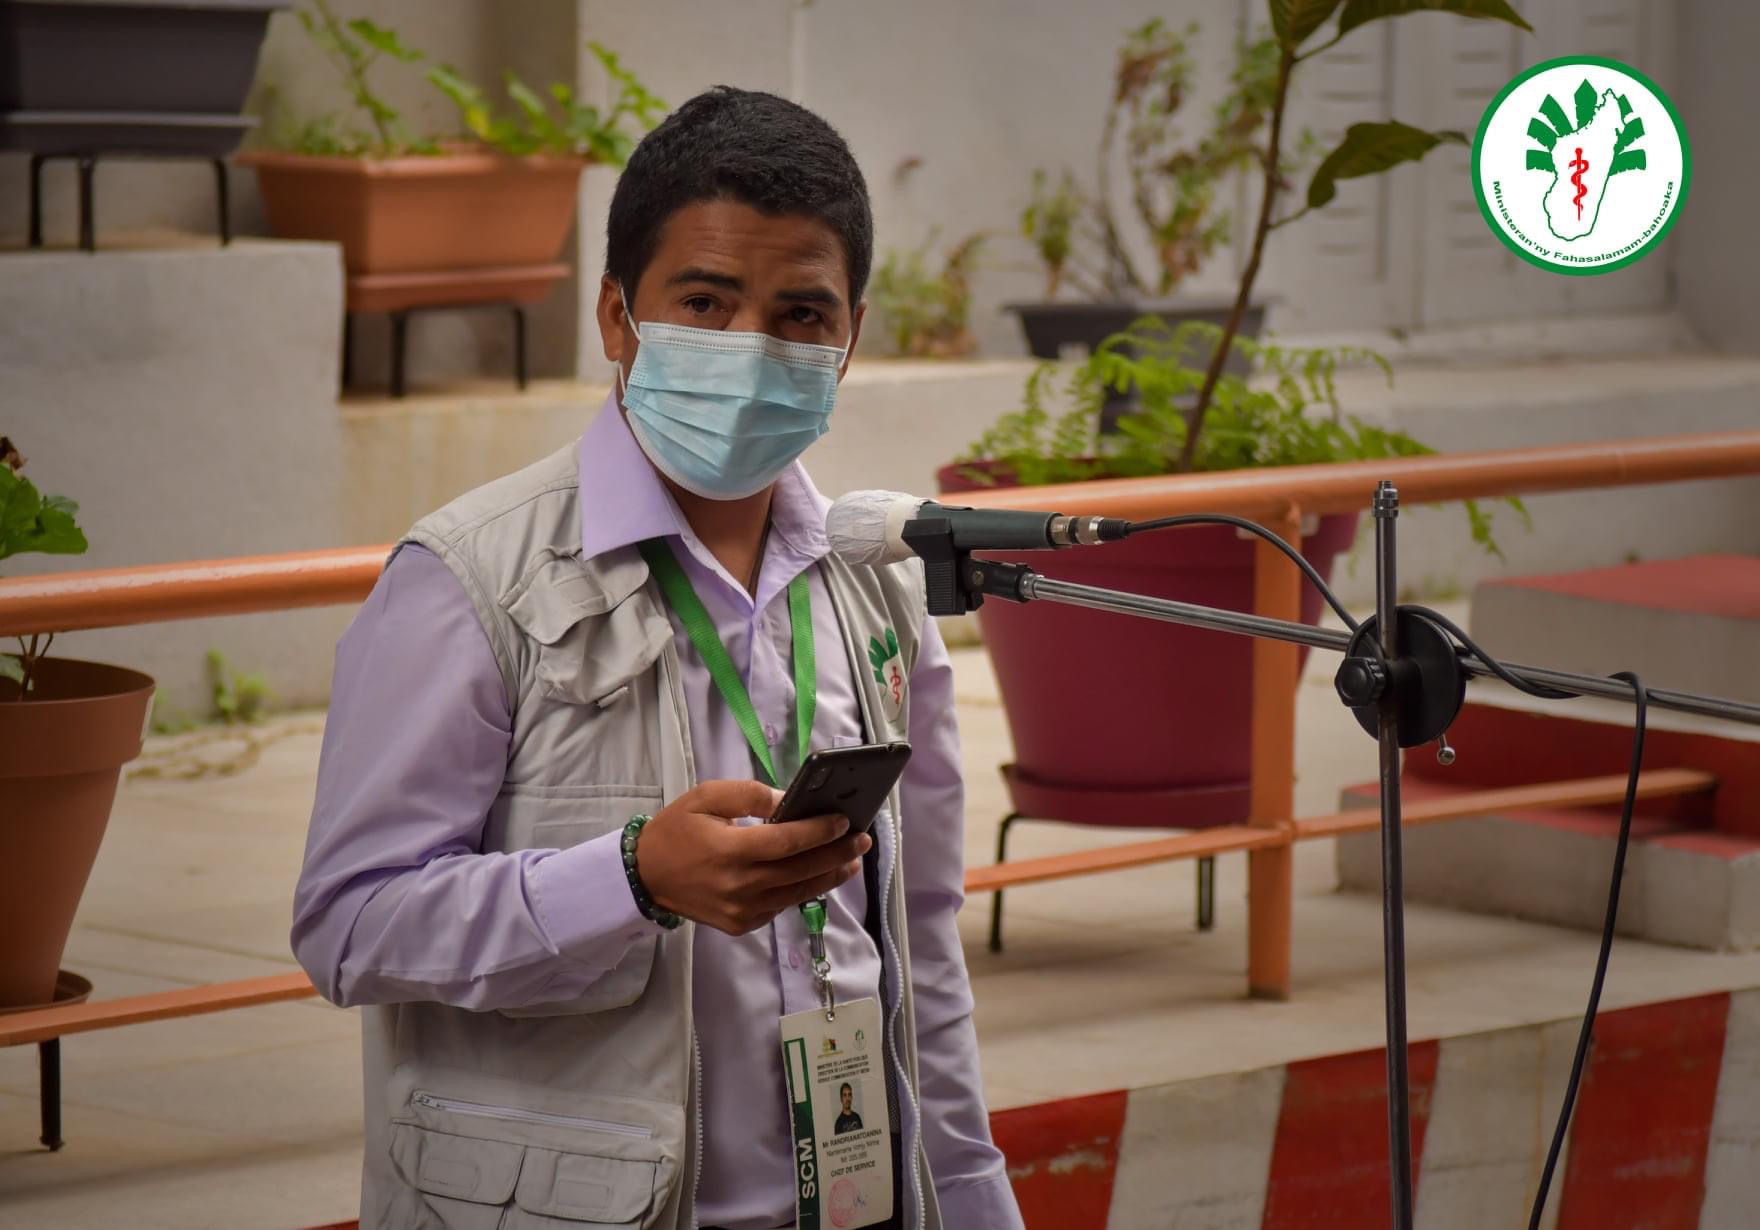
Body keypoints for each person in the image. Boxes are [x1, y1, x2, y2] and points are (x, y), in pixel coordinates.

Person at [291, 86, 1023, 1230]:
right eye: (705, 301)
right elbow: (349, 926)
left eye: (799, 314)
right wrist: (630, 881)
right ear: (617, 316)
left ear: (849, 340)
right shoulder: (470, 581)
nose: (750, 348)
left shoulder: (877, 584)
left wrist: (970, 1199)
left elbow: (921, 947)